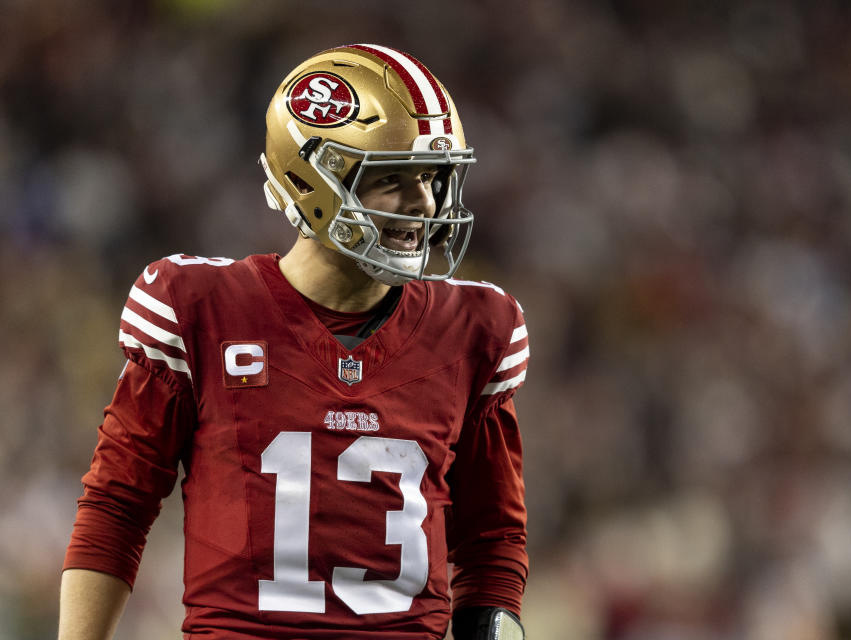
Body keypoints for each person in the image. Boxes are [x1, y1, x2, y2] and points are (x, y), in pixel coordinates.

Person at [59, 44, 529, 640]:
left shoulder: (474, 330)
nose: (424, 202)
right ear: (309, 181)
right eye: (390, 179)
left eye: (433, 176)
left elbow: (491, 543)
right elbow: (117, 510)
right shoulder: (201, 308)